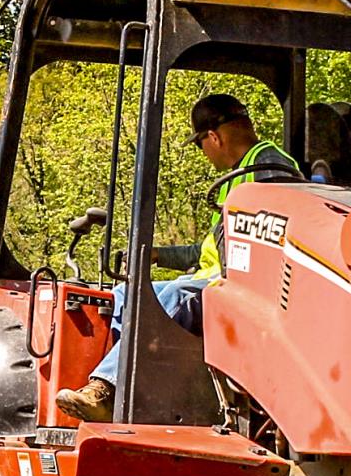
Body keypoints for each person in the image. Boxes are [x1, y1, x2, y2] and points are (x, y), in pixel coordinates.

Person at [54, 93, 298, 423]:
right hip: (214, 281)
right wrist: (158, 255)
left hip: (244, 290)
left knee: (173, 296)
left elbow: (272, 241)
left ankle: (108, 389)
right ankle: (125, 389)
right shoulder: (240, 176)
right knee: (123, 296)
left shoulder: (269, 167)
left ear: (214, 137)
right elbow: (208, 250)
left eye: (200, 145)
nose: (204, 154)